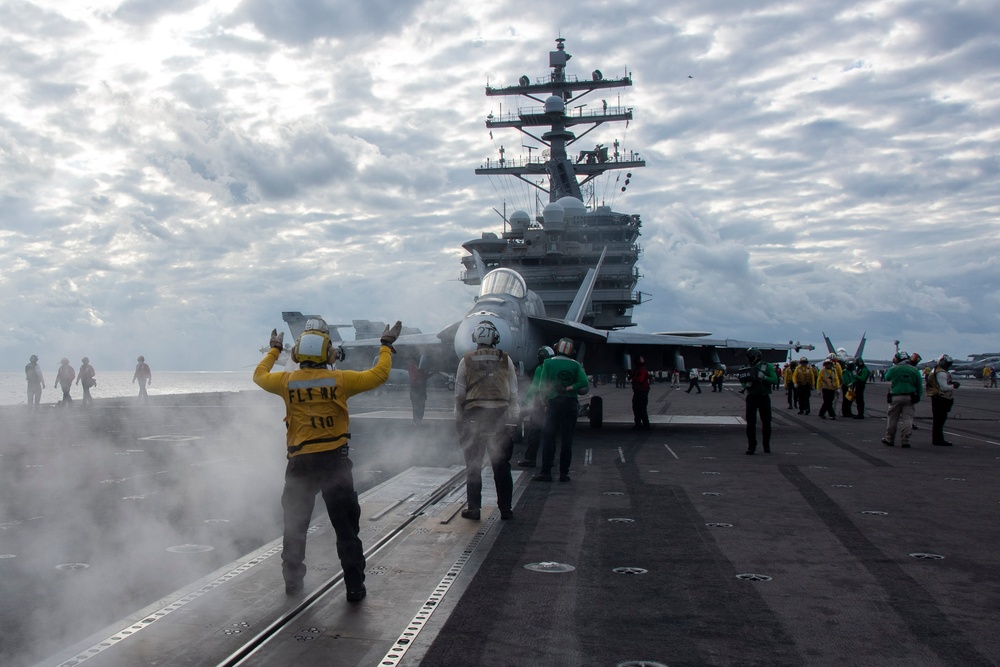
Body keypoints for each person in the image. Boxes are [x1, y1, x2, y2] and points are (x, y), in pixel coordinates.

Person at [254, 317, 401, 601]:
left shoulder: (286, 382)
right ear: (329, 354)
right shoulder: (341, 380)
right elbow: (379, 374)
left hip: (300, 465)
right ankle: (355, 586)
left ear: (297, 354)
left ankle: (293, 583)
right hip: (334, 463)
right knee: (346, 529)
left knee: (295, 526)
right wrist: (385, 346)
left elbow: (259, 375)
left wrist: (273, 349)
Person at [454, 320, 519, 520]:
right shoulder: (505, 360)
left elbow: (459, 395)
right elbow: (514, 393)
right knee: (501, 465)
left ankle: (474, 509)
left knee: (473, 465)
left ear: (475, 339)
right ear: (495, 339)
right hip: (499, 418)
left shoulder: (465, 360)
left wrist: (458, 419)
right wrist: (513, 419)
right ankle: (506, 509)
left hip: (474, 417)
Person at [533, 337, 589, 483]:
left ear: (557, 348)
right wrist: (568, 388)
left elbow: (542, 386)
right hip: (570, 404)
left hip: (554, 404)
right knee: (567, 439)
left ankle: (546, 472)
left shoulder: (548, 363)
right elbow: (584, 383)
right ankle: (564, 473)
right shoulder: (576, 365)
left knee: (548, 438)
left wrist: (545, 402)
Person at [519, 346, 554, 468]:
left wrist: (526, 402)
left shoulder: (540, 368)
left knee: (534, 432)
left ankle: (531, 459)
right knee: (550, 433)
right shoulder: (555, 367)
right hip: (553, 403)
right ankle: (549, 461)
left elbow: (534, 387)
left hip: (540, 404)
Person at [740, 348, 778, 454]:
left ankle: (766, 445)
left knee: (766, 422)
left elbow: (774, 380)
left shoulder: (767, 366)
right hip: (751, 397)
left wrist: (764, 377)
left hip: (764, 397)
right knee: (750, 422)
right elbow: (743, 381)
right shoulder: (747, 368)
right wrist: (745, 385)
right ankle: (751, 446)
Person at [882, 350, 923, 448]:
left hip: (896, 396)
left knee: (892, 418)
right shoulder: (915, 370)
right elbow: (919, 386)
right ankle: (905, 440)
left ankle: (889, 438)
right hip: (909, 397)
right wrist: (918, 396)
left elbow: (886, 377)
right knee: (908, 419)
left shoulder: (894, 369)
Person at [927, 355, 960, 446]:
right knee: (940, 420)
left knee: (938, 420)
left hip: (936, 397)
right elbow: (944, 387)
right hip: (941, 398)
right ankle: (938, 439)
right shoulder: (941, 373)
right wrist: (954, 386)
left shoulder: (935, 370)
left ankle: (938, 438)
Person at [630, 356, 651, 430]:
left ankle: (645, 424)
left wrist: (633, 377)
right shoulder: (640, 369)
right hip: (639, 391)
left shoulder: (642, 370)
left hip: (641, 391)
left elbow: (640, 379)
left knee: (641, 408)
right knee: (637, 407)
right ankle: (639, 423)